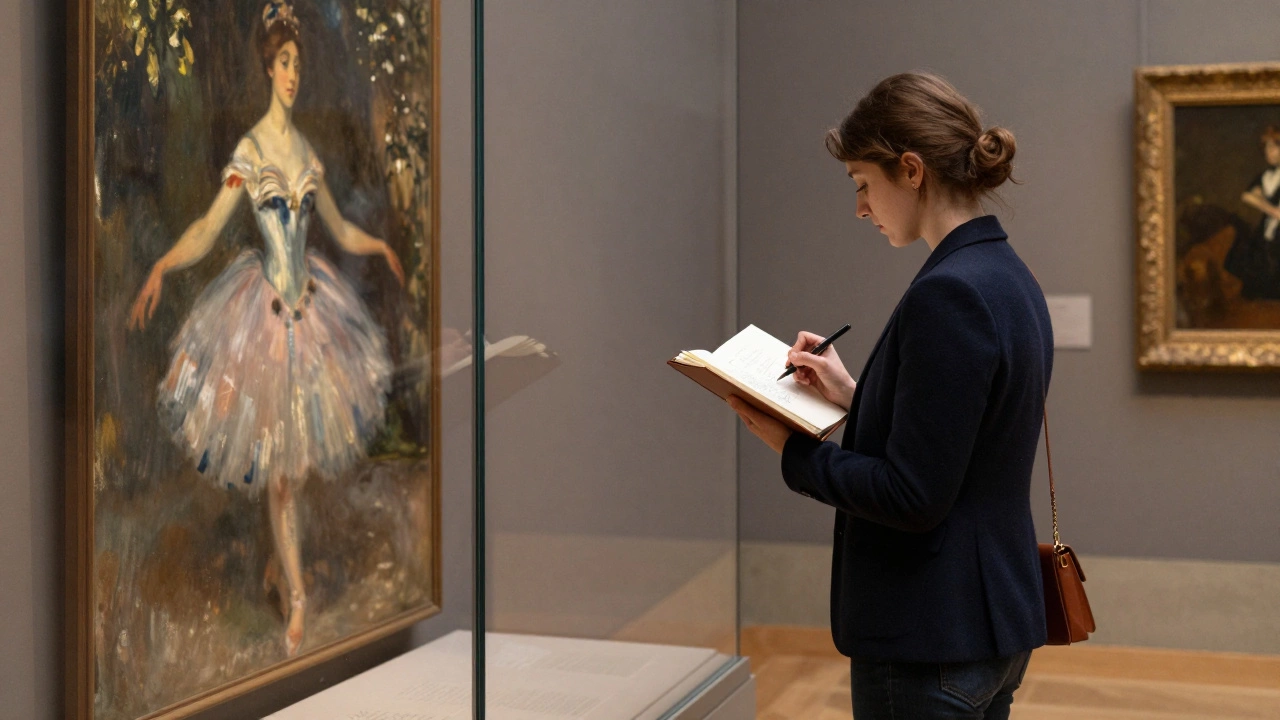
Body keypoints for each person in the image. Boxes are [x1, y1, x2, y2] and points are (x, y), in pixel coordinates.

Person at [729, 72, 1052, 719]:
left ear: (910, 169)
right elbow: (961, 438)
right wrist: (855, 395)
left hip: (929, 631)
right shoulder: (1006, 273)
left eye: (861, 184)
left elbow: (913, 497)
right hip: (991, 622)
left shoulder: (948, 293)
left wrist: (793, 450)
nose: (860, 208)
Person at [128, 0, 404, 657]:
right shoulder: (251, 150)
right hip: (261, 319)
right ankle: (298, 596)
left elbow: (334, 229)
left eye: (298, 64)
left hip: (312, 314)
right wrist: (163, 264)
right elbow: (208, 227)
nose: (292, 75)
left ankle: (279, 563)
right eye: (283, 63)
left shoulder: (305, 151)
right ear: (265, 67)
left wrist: (379, 249)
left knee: (300, 462)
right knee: (280, 475)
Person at [1223, 125, 1280, 299]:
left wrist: (1260, 201)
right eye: (1266, 147)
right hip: (1267, 229)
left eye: (1273, 147)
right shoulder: (1265, 176)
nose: (1268, 152)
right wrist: (1270, 209)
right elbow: (1246, 196)